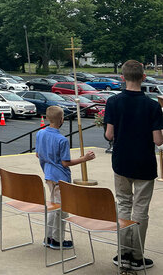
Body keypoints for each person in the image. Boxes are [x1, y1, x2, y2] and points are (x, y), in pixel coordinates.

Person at [105, 60, 163, 271]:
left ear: (122, 78)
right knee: (140, 209)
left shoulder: (113, 102)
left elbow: (109, 134)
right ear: (143, 78)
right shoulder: (152, 105)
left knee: (123, 204)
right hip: (144, 164)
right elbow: (158, 140)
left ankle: (123, 253)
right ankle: (137, 256)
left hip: (121, 162)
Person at [36, 106, 96, 250]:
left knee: (54, 206)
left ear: (48, 118)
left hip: (48, 174)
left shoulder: (40, 134)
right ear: (62, 120)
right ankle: (57, 240)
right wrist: (84, 159)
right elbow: (65, 162)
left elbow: (38, 154)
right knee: (61, 209)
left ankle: (49, 236)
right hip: (60, 177)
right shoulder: (62, 140)